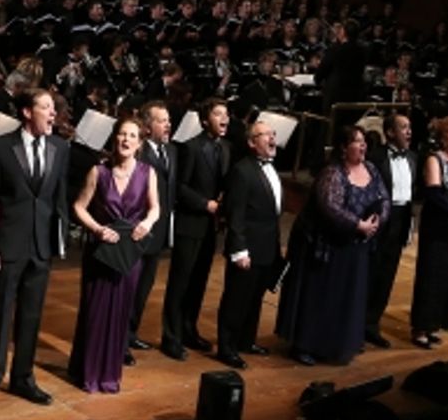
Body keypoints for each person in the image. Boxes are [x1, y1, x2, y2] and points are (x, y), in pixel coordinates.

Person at [0, 88, 70, 409]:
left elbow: (58, 198)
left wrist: (58, 242)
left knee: (31, 315)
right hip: (7, 247)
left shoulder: (60, 147)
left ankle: (23, 378)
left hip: (40, 247)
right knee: (0, 317)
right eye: (46, 107)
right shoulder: (0, 148)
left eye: (53, 108)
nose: (53, 113)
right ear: (27, 112)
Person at [276, 126, 389, 365]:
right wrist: (359, 225)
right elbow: (330, 207)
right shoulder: (333, 173)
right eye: (356, 142)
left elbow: (384, 198)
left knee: (349, 296)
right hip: (328, 247)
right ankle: (308, 345)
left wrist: (377, 220)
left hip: (356, 247)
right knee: (322, 296)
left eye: (363, 142)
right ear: (343, 148)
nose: (362, 146)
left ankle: (342, 342)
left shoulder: (371, 169)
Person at [67, 119, 159, 393]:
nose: (126, 140)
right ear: (114, 138)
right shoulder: (98, 171)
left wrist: (147, 224)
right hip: (100, 252)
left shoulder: (148, 172)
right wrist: (97, 228)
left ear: (140, 143)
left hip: (129, 254)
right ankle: (88, 373)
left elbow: (155, 208)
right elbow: (78, 207)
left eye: (132, 136)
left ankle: (109, 375)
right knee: (94, 312)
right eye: (122, 134)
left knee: (120, 313)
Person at [161, 97, 229, 360]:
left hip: (211, 228)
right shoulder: (190, 148)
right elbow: (180, 187)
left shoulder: (225, 148)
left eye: (226, 113)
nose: (224, 118)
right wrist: (206, 204)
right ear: (204, 120)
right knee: (181, 282)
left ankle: (189, 329)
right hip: (190, 225)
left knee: (199, 282)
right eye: (218, 114)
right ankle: (172, 337)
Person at [216, 120, 284, 369]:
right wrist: (239, 249)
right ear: (251, 142)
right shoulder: (242, 171)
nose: (272, 139)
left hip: (266, 246)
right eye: (265, 135)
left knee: (255, 299)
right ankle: (227, 347)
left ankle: (246, 340)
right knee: (237, 299)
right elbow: (236, 215)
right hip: (246, 249)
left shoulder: (271, 168)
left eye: (272, 134)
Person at [409, 117, 448, 350]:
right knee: (431, 276)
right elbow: (434, 194)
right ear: (444, 138)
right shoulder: (434, 160)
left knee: (447, 276)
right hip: (437, 226)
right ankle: (420, 327)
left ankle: (434, 325)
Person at [365, 112, 416, 348]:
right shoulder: (375, 157)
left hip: (401, 219)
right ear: (389, 133)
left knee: (387, 276)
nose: (408, 131)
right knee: (370, 275)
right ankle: (357, 324)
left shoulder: (413, 158)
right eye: (403, 127)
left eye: (409, 127)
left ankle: (372, 325)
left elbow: (411, 196)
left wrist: (410, 223)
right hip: (379, 219)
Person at [129, 101, 175, 353]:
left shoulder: (171, 152)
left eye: (168, 120)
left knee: (144, 287)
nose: (167, 124)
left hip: (158, 232)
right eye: (161, 120)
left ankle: (132, 332)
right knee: (131, 285)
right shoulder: (140, 153)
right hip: (140, 230)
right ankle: (121, 337)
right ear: (147, 127)